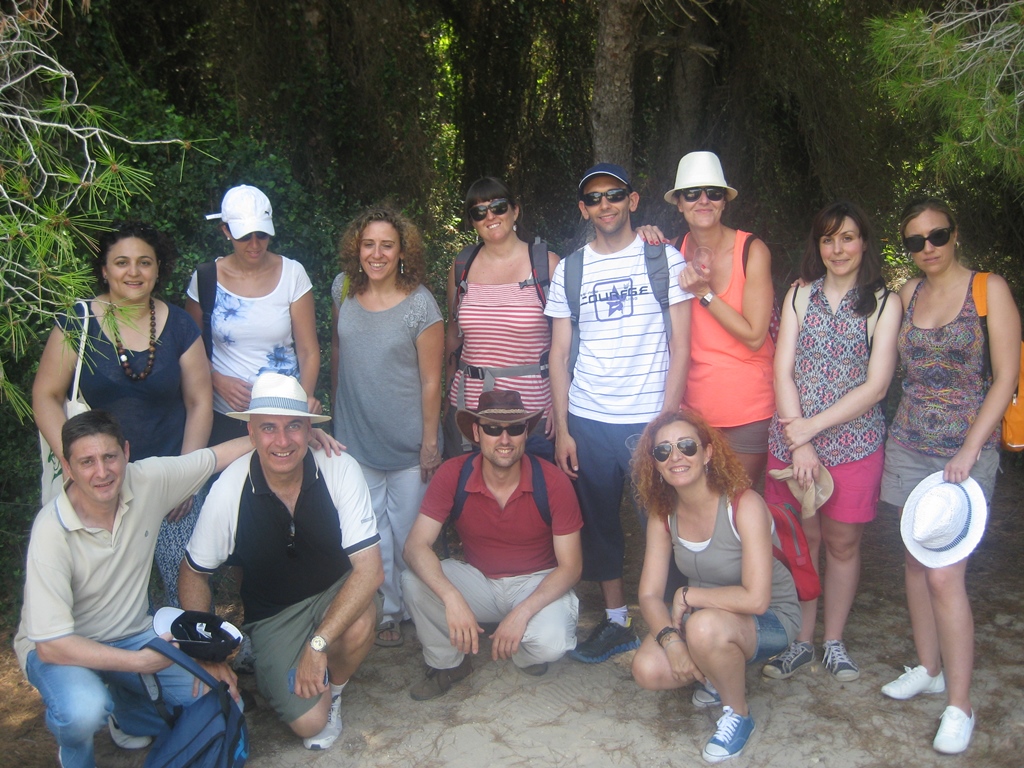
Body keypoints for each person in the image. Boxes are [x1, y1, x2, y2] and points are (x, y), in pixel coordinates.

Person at [14, 410, 254, 768]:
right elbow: (51, 645)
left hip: (130, 633)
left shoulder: (146, 480)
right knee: (83, 710)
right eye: (87, 461)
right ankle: (76, 754)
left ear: (126, 452)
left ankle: (128, 713)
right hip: (65, 649)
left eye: (110, 456)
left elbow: (215, 457)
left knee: (221, 700)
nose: (102, 472)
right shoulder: (52, 529)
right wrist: (138, 663)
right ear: (67, 465)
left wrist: (283, 434)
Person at [878, 197, 1020, 754]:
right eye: (915, 241)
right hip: (909, 445)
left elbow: (1005, 377)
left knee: (945, 576)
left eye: (937, 235)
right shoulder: (907, 295)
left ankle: (960, 705)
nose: (928, 248)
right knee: (916, 562)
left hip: (965, 454)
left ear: (954, 234)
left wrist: (969, 448)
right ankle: (929, 668)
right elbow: (878, 354)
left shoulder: (989, 290)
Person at [179, 372, 384, 753]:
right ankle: (278, 662)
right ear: (251, 433)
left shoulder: (339, 467)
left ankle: (335, 689)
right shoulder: (230, 488)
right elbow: (194, 572)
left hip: (334, 590)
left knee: (359, 623)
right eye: (268, 428)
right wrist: (206, 651)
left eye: (293, 426)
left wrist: (318, 644)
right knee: (309, 724)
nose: (283, 441)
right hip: (275, 615)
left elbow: (370, 569)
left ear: (309, 430)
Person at [544, 162, 692, 663]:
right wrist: (564, 430)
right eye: (593, 198)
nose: (604, 204)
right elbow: (558, 354)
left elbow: (681, 344)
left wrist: (666, 421)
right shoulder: (570, 269)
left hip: (649, 419)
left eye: (613, 194)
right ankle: (615, 622)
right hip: (588, 419)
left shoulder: (663, 258)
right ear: (583, 209)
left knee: (662, 522)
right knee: (599, 523)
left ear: (632, 200)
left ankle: (674, 621)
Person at [33, 221, 213, 606]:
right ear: (104, 269)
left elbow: (199, 401)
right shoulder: (79, 322)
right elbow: (46, 395)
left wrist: (189, 476)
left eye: (145, 262)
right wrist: (72, 462)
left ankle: (195, 639)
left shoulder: (180, 325)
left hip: (167, 482)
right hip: (100, 481)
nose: (134, 272)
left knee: (184, 578)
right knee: (107, 594)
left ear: (158, 269)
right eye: (121, 262)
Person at [760, 201, 901, 682]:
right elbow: (782, 370)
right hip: (792, 439)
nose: (837, 249)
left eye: (847, 238)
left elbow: (877, 386)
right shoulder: (800, 295)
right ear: (817, 246)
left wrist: (811, 428)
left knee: (842, 543)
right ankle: (801, 640)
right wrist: (799, 439)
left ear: (864, 243)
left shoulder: (884, 302)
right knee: (800, 541)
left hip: (854, 445)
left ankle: (834, 641)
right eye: (828, 239)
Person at [630, 409, 800, 763]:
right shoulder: (663, 514)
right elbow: (648, 594)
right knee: (647, 669)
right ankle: (714, 674)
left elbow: (757, 599)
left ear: (707, 453)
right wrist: (672, 642)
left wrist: (688, 594)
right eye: (663, 451)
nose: (675, 456)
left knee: (704, 627)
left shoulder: (744, 504)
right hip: (705, 617)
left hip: (771, 618)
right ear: (655, 464)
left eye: (687, 446)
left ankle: (738, 713)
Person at [402, 389, 583, 699]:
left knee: (551, 642)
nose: (504, 439)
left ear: (526, 433)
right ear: (476, 433)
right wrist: (452, 598)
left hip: (535, 583)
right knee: (413, 580)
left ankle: (523, 651)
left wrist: (522, 613)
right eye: (492, 429)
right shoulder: (454, 474)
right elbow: (415, 546)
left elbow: (571, 567)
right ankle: (449, 664)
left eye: (515, 429)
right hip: (480, 581)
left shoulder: (553, 481)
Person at [330, 206, 444, 648]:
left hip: (409, 445)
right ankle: (387, 612)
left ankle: (419, 608)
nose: (376, 254)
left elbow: (431, 380)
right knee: (371, 534)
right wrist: (336, 417)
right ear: (356, 249)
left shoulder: (420, 305)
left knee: (410, 534)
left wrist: (430, 443)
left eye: (387, 245)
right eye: (368, 244)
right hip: (356, 440)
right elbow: (338, 351)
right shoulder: (342, 289)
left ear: (402, 252)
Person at [640, 151, 776, 485]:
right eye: (692, 194)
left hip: (746, 408)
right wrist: (642, 234)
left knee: (735, 502)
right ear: (679, 204)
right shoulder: (670, 251)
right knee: (693, 503)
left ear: (724, 201)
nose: (703, 200)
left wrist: (704, 293)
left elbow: (755, 336)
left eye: (713, 193)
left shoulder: (751, 250)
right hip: (691, 410)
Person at [186, 184, 321, 445]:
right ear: (226, 231)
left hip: (283, 412)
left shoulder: (293, 274)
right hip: (225, 412)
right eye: (245, 236)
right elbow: (191, 348)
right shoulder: (206, 278)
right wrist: (215, 379)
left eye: (262, 234)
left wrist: (303, 400)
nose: (255, 244)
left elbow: (308, 350)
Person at [444, 177, 560, 461]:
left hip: (533, 414)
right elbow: (453, 337)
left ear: (515, 211)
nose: (490, 216)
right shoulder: (461, 267)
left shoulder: (546, 265)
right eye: (479, 211)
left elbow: (564, 346)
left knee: (534, 487)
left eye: (498, 206)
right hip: (470, 413)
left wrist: (561, 407)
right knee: (469, 488)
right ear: (472, 221)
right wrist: (447, 398)